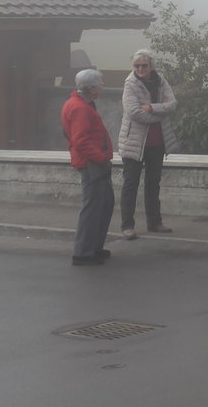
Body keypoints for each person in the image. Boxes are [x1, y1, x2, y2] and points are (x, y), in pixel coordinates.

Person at [118, 49, 179, 239]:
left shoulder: (160, 81)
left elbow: (173, 104)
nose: (140, 69)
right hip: (134, 143)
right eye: (137, 66)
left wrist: (152, 107)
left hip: (157, 142)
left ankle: (155, 222)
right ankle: (127, 225)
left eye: (144, 66)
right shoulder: (130, 84)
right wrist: (160, 114)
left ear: (151, 66)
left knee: (153, 184)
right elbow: (134, 112)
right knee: (131, 185)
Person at [61, 68, 115, 266]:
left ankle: (93, 248)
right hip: (92, 163)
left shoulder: (79, 104)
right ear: (91, 87)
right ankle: (84, 252)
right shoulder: (81, 108)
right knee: (93, 207)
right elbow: (81, 140)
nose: (102, 86)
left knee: (104, 204)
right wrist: (101, 157)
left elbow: (72, 135)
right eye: (99, 83)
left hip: (93, 161)